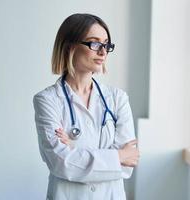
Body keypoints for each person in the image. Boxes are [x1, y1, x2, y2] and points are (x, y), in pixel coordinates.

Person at [33, 13, 139, 200]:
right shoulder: (47, 100)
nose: (103, 52)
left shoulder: (118, 99)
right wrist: (117, 156)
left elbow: (127, 165)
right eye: (95, 43)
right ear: (69, 47)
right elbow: (61, 163)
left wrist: (75, 152)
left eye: (106, 44)